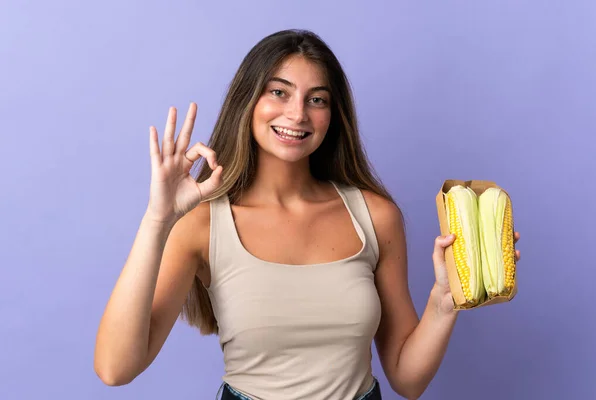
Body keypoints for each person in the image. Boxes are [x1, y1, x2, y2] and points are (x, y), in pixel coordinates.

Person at [94, 29, 521, 400]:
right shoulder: (201, 225)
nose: (297, 114)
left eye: (316, 99)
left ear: (333, 117)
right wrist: (158, 220)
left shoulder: (375, 216)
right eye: (278, 92)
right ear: (249, 101)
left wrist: (444, 302)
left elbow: (407, 380)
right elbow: (115, 369)